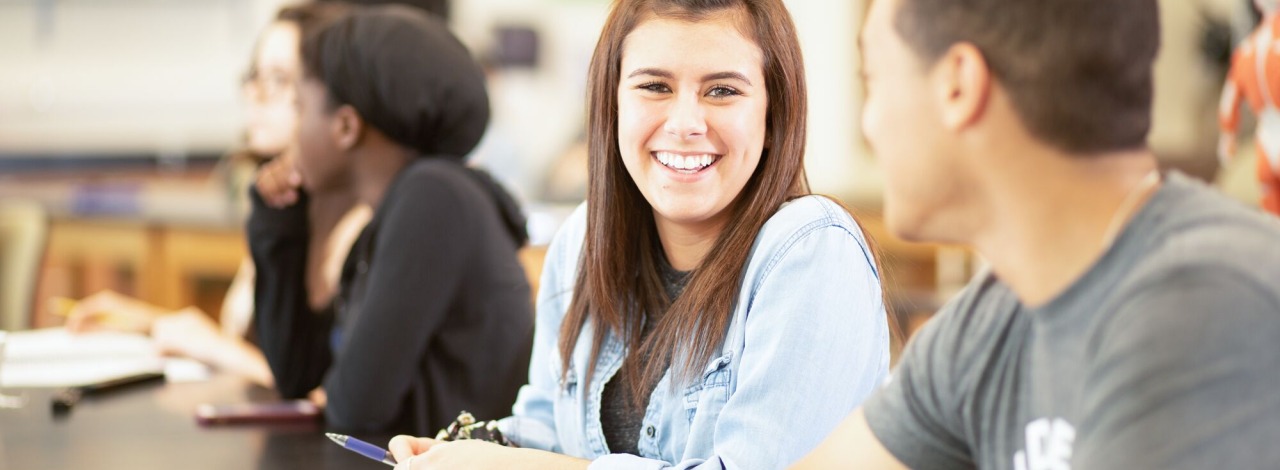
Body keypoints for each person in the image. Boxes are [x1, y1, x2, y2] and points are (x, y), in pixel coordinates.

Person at [385, 0, 892, 468]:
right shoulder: (584, 240)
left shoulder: (811, 250)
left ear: (773, 112)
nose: (685, 122)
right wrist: (472, 451)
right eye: (655, 86)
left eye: (723, 90)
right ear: (612, 103)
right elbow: (547, 428)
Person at [793, 0, 1280, 468]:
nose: (870, 124)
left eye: (873, 80)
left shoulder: (1206, 307)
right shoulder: (990, 323)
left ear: (958, 86)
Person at [248, 5, 534, 435]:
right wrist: (279, 220)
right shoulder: (389, 216)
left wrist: (335, 389)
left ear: (345, 127)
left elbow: (353, 407)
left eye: (300, 106)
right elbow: (299, 376)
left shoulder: (433, 197)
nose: (295, 128)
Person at [64, 2, 362, 389]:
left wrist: (208, 343)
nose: (254, 94)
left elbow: (328, 393)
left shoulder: (356, 229)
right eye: (255, 75)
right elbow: (258, 350)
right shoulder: (277, 204)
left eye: (278, 80)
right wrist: (151, 323)